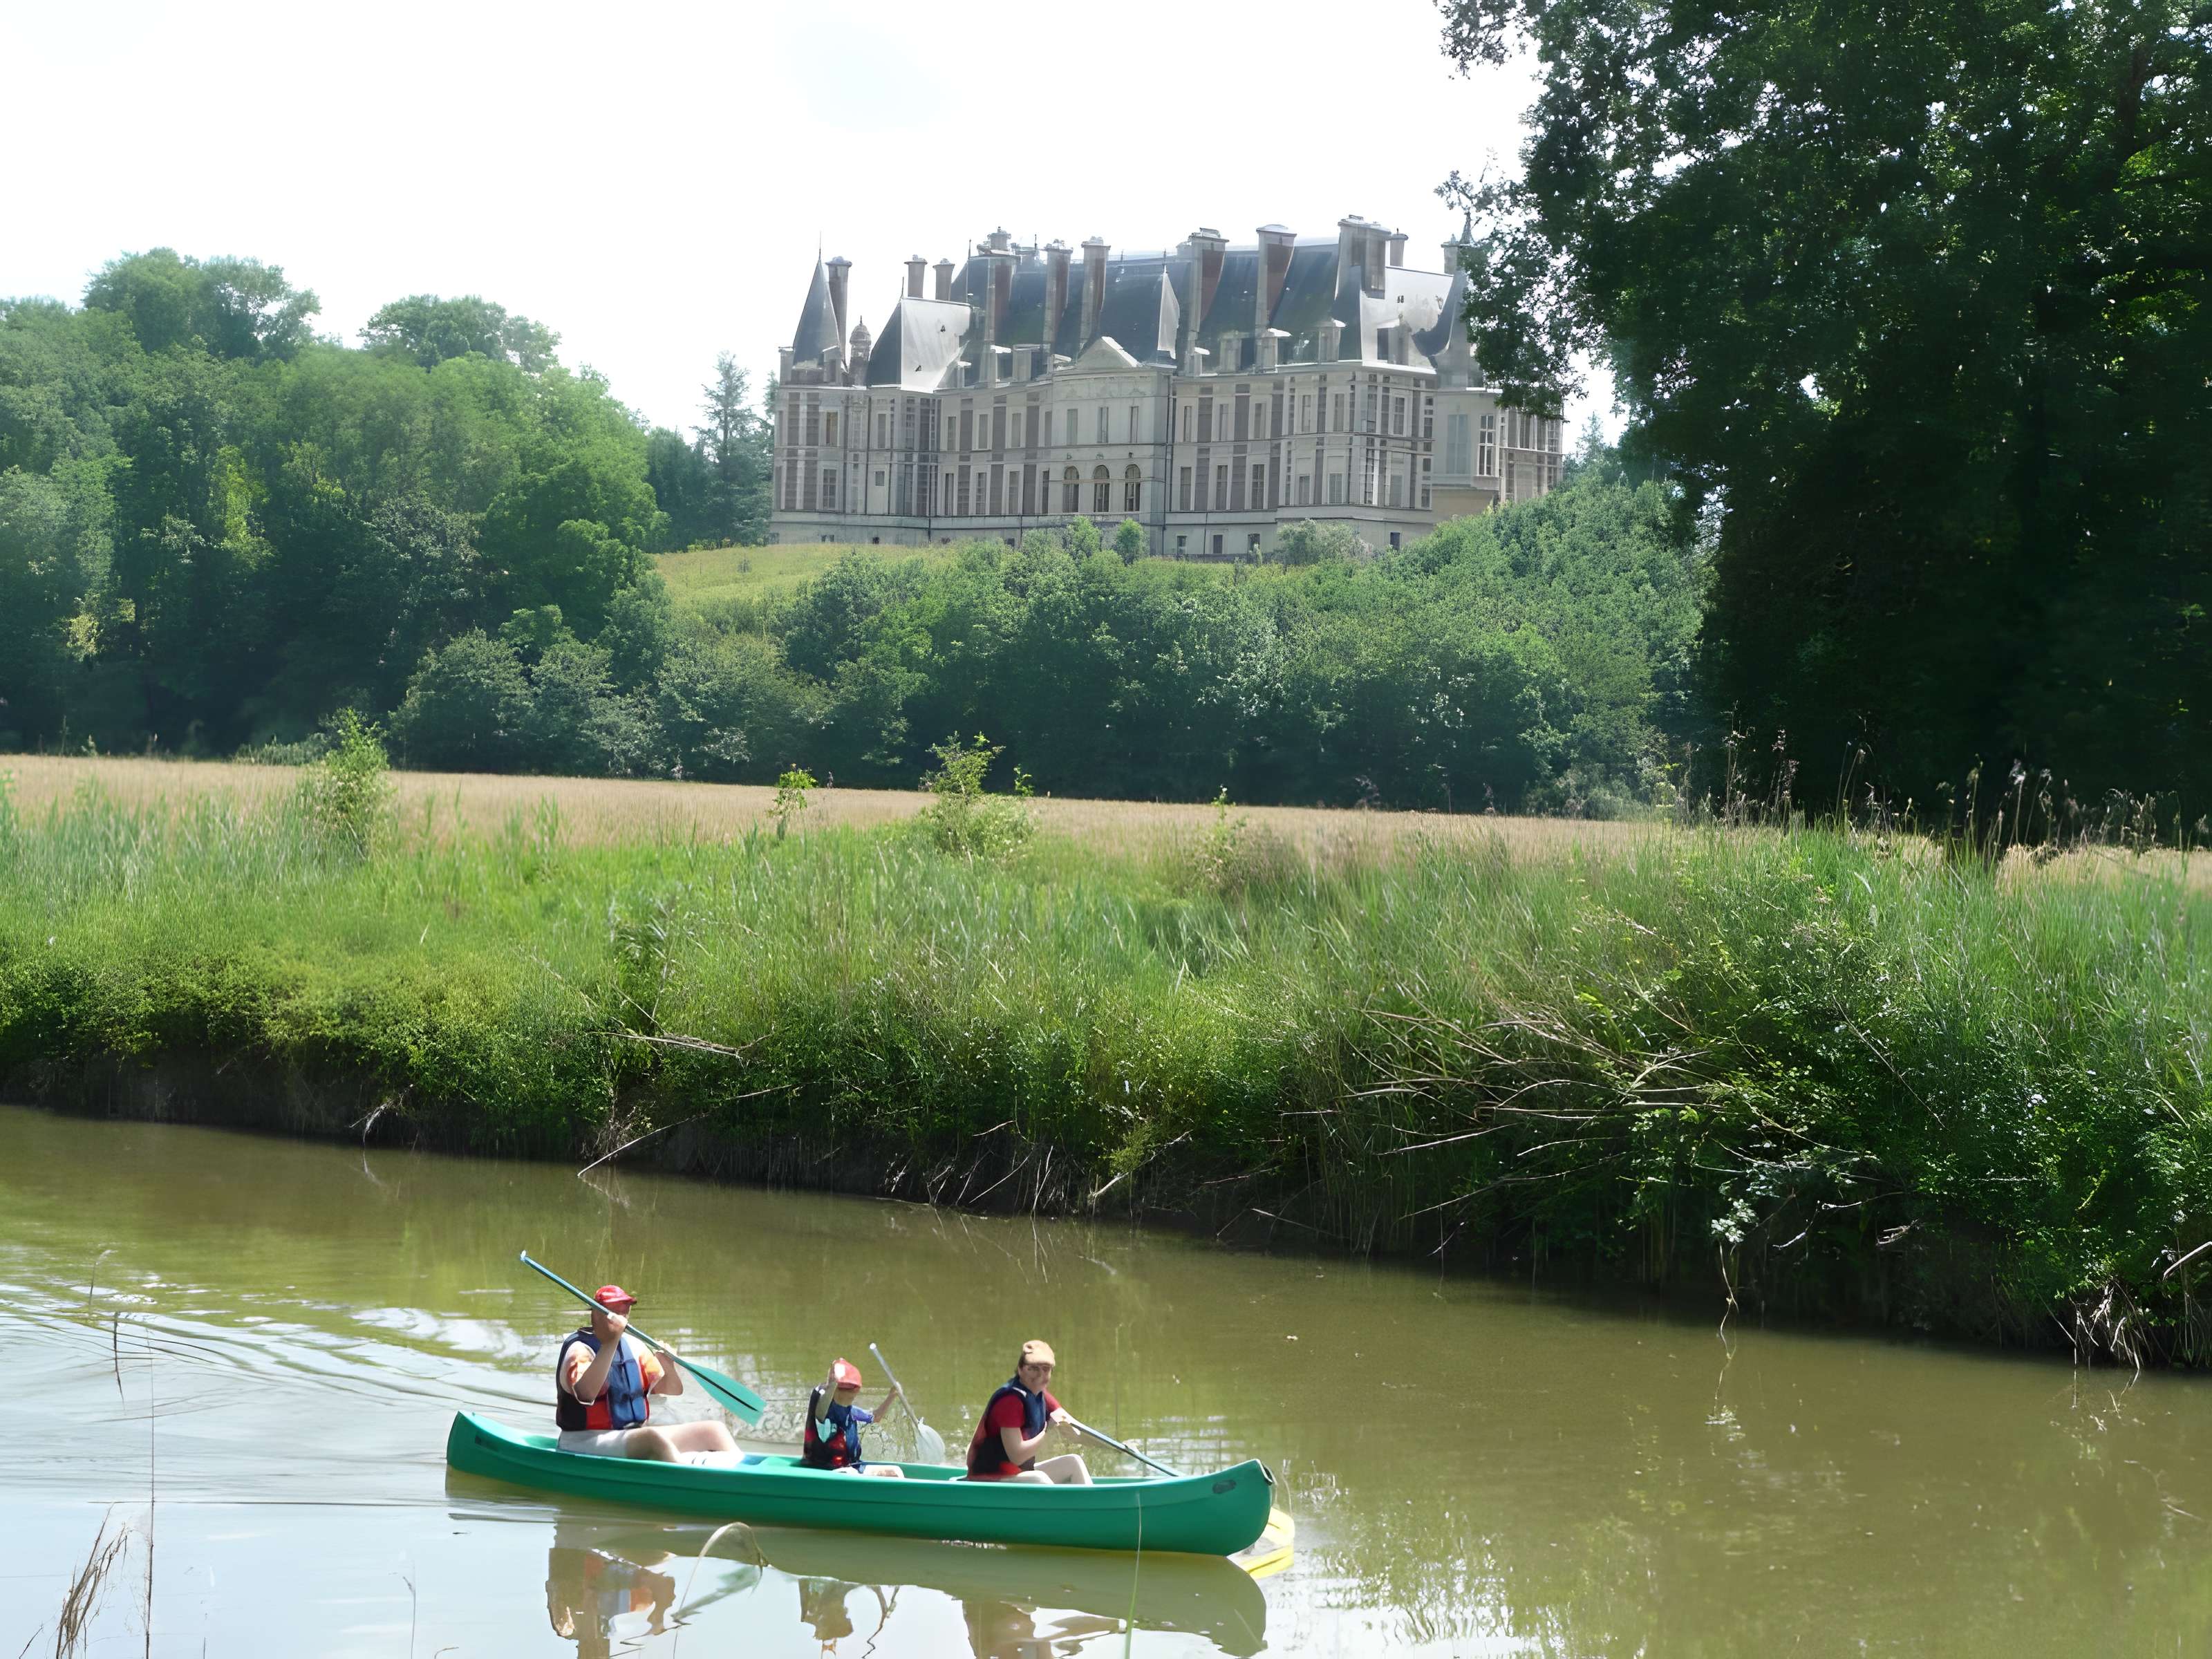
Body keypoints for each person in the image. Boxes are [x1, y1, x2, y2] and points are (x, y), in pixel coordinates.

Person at [555, 1284, 739, 1463]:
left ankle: (739, 1475)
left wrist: (668, 1365)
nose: (621, 1316)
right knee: (652, 1438)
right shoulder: (580, 1349)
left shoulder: (634, 1346)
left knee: (714, 1431)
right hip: (583, 1440)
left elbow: (671, 1389)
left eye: (625, 1310)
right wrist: (611, 1342)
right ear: (596, 1314)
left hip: (630, 1435)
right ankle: (687, 1482)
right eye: (614, 1310)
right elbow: (586, 1394)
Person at [964, 1340, 1092, 1484]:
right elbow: (1017, 1456)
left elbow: (1075, 1429)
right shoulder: (1010, 1401)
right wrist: (1048, 1433)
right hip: (988, 1478)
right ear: (1020, 1369)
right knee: (1039, 1479)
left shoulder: (1039, 1395)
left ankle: (1093, 1504)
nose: (1040, 1375)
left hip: (1018, 1474)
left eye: (1046, 1369)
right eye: (1033, 1368)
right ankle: (1068, 1505)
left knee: (1073, 1462)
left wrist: (1119, 1448)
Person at [803, 1357, 906, 1477]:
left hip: (852, 1466)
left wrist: (892, 1395)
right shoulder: (825, 1412)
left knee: (896, 1471)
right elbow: (821, 1408)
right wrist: (832, 1384)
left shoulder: (851, 1411)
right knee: (894, 1474)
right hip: (831, 1468)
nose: (852, 1394)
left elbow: (875, 1417)